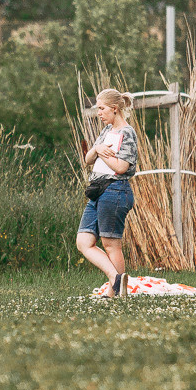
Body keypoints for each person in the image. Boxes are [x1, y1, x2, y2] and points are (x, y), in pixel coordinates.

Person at [76, 89, 139, 297]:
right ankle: (116, 278)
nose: (99, 113)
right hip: (98, 191)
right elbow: (88, 159)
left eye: (102, 108)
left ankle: (115, 293)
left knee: (111, 245)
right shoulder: (106, 131)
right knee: (83, 242)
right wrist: (97, 149)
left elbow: (121, 167)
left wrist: (102, 153)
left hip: (115, 190)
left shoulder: (127, 133)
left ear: (114, 108)